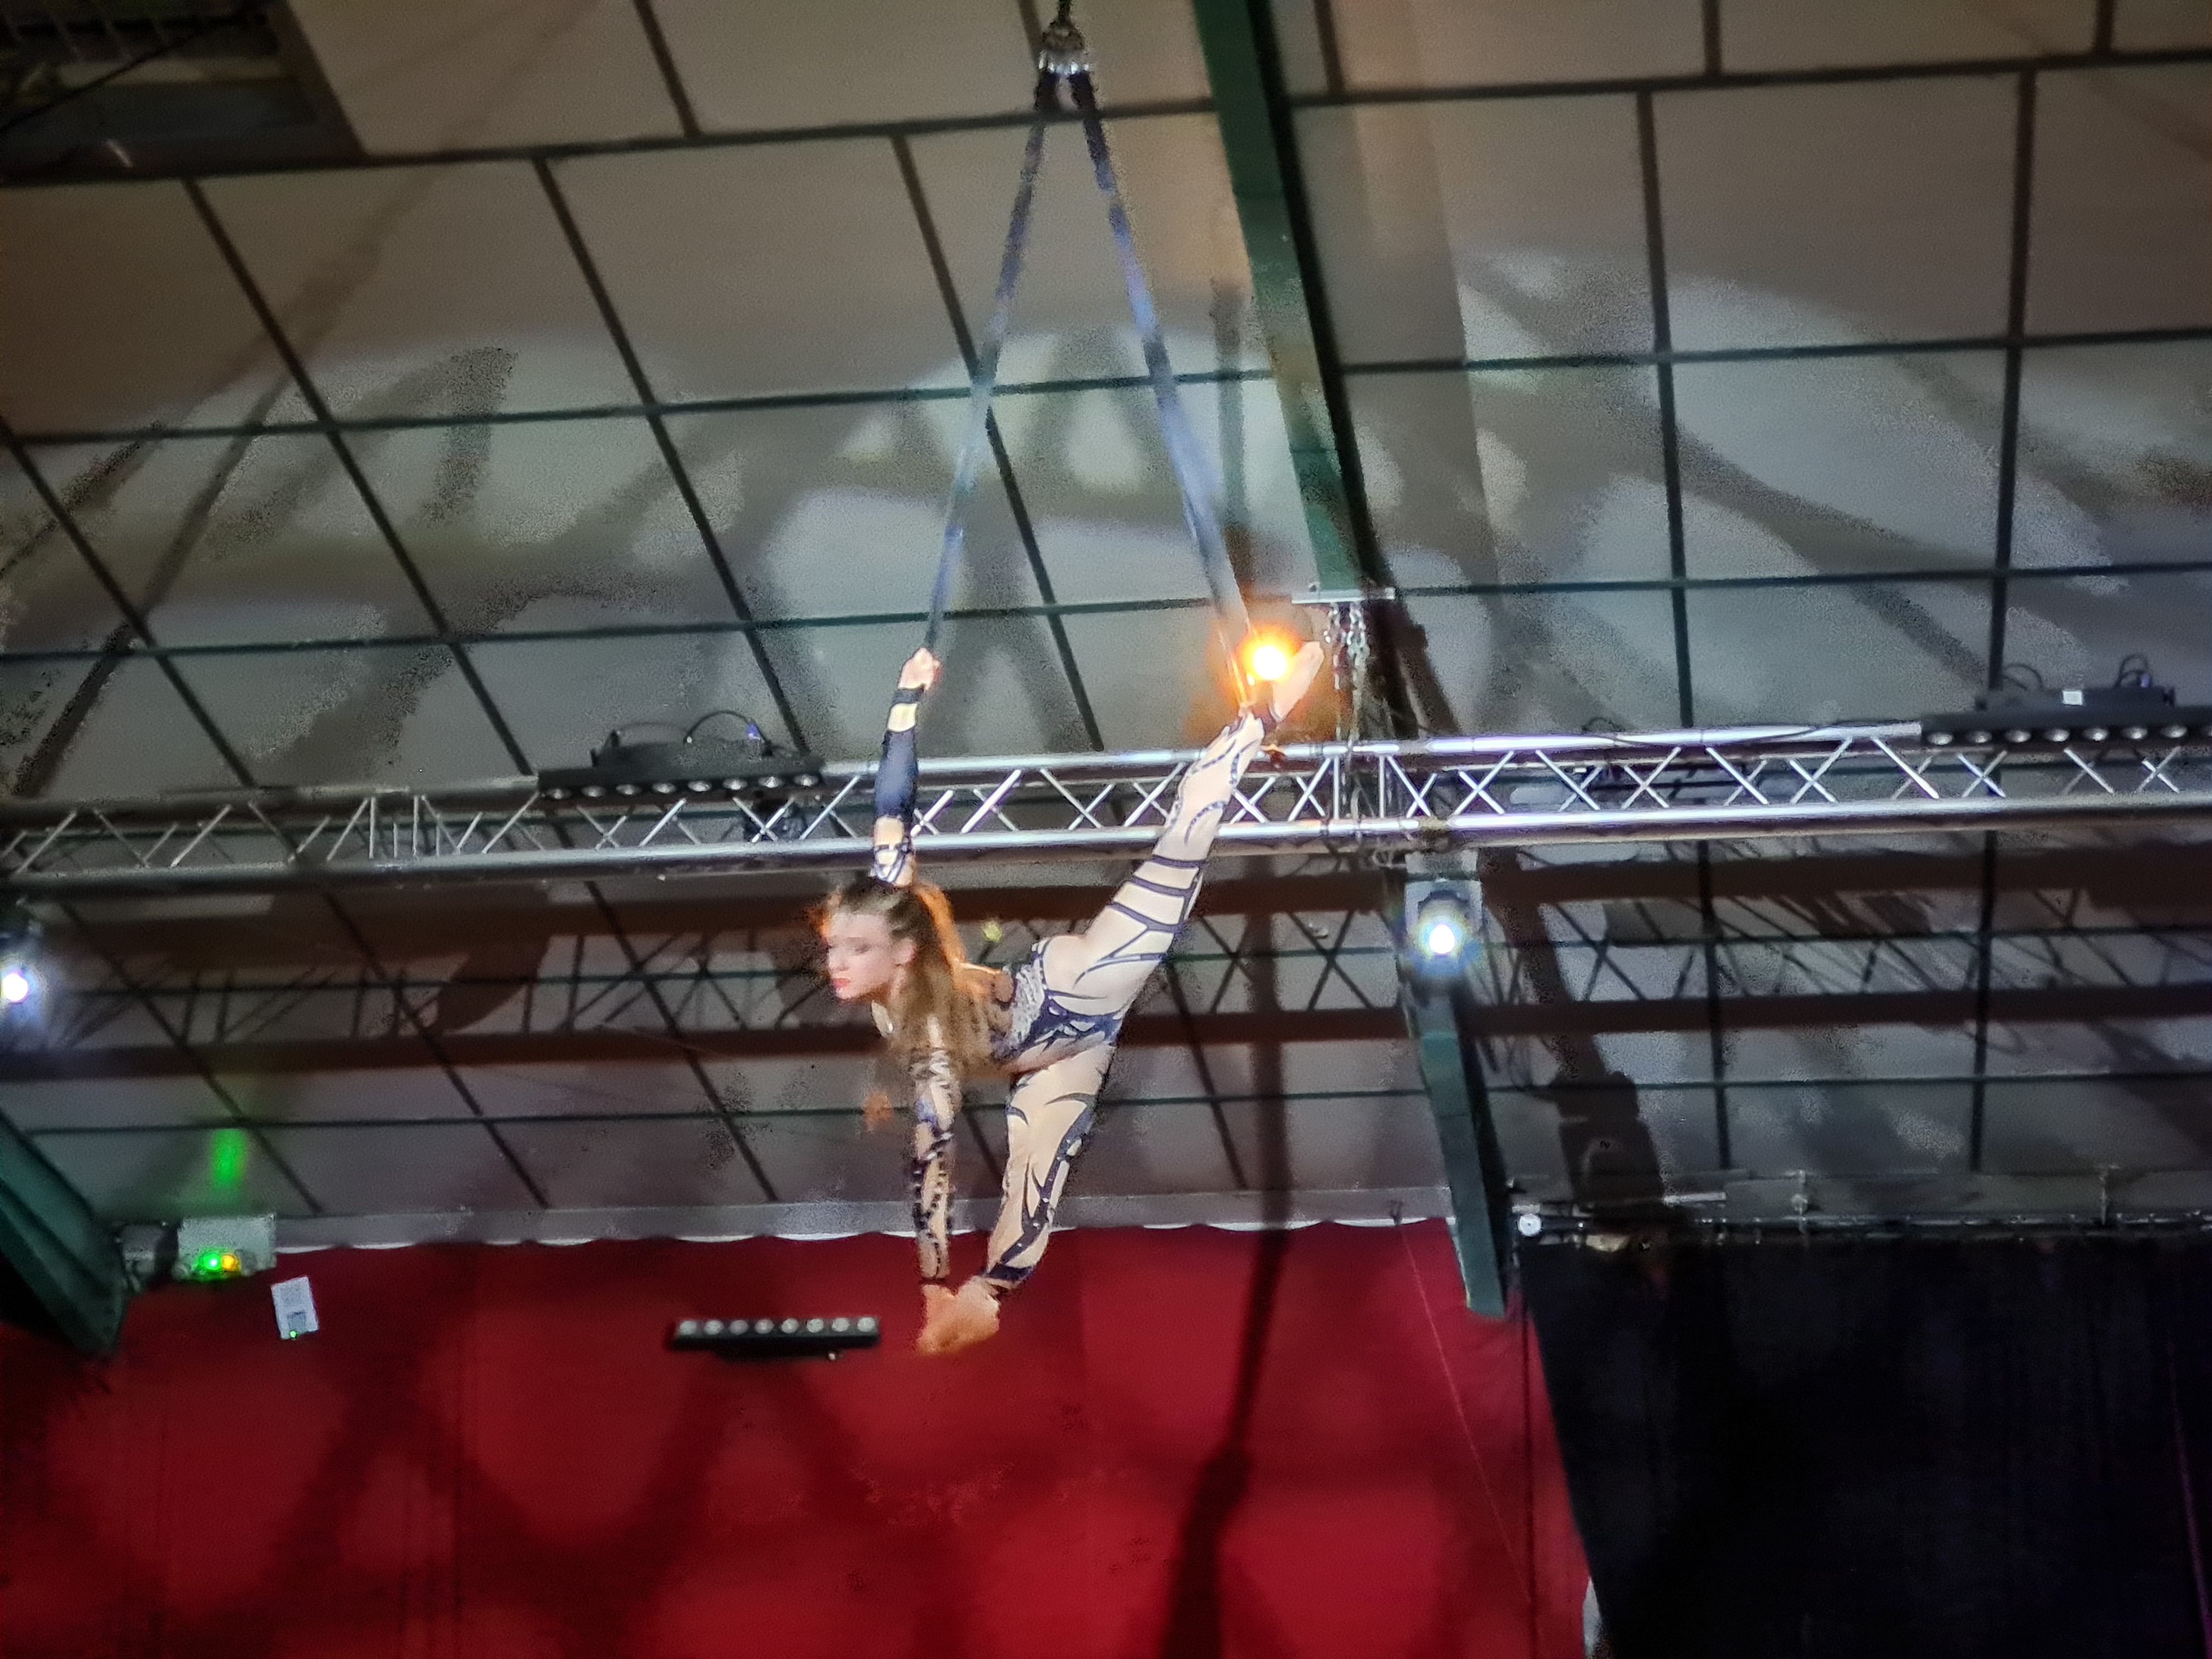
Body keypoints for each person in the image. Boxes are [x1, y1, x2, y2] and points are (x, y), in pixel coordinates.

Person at [817, 637, 1325, 1356]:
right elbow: (931, 1159)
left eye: (853, 948)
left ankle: (1257, 722)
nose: (835, 963)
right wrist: (937, 1285)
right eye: (833, 947)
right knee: (1033, 1184)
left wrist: (905, 703)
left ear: (901, 950)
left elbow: (894, 804)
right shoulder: (907, 1008)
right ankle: (987, 1297)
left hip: (1072, 990)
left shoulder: (920, 999)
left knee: (1180, 850)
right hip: (1051, 1061)